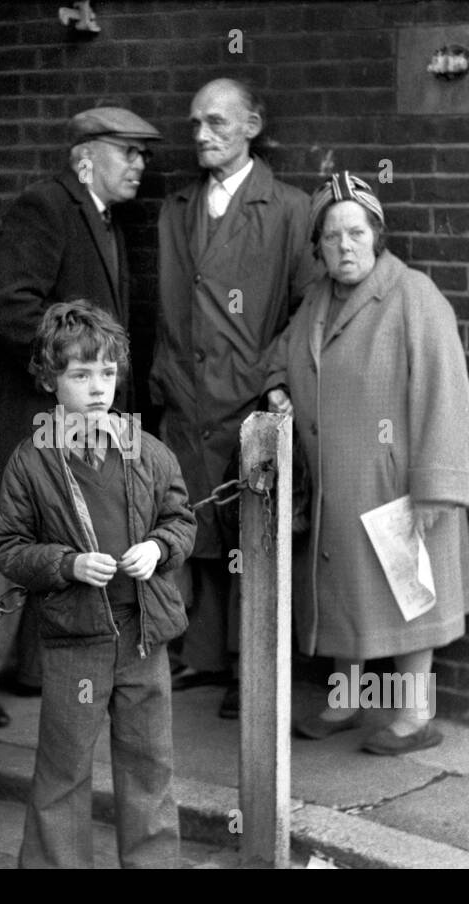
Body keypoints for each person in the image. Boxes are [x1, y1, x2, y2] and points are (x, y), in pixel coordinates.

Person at [0, 106, 163, 728]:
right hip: (35, 413)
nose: (140, 164)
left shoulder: (101, 220)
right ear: (86, 157)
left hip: (75, 419)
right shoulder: (46, 206)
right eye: (130, 152)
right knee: (9, 543)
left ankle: (28, 669)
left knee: (60, 537)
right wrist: (67, 375)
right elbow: (11, 306)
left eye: (143, 154)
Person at [264, 172, 469, 755]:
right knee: (342, 594)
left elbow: (447, 397)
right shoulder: (315, 300)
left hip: (396, 486)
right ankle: (347, 700)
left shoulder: (414, 297)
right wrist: (280, 385)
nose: (344, 247)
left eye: (355, 232)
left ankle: (414, 716)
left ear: (376, 235)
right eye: (331, 237)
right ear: (318, 247)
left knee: (411, 599)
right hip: (337, 485)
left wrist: (438, 488)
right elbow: (280, 356)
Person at [0, 300, 195, 868]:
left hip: (142, 638)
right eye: (80, 375)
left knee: (150, 767)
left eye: (107, 372)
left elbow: (181, 522)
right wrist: (67, 564)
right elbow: (8, 548)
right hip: (74, 640)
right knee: (63, 771)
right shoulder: (31, 462)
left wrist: (158, 548)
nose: (98, 387)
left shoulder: (148, 452)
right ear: (50, 381)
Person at [151, 78, 315, 718]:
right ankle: (206, 656)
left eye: (217, 123)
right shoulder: (177, 207)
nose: (201, 135)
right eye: (194, 124)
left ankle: (253, 668)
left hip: (248, 399)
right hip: (185, 397)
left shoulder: (291, 209)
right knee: (196, 526)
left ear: (252, 124)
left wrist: (272, 377)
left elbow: (305, 308)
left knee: (253, 537)